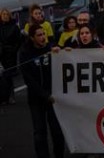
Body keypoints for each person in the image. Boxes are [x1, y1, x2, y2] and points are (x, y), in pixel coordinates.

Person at [19, 25, 66, 158]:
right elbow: (28, 80)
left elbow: (65, 63)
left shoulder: (50, 48)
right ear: (32, 37)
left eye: (44, 34)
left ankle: (59, 155)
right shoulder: (25, 53)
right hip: (36, 99)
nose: (43, 37)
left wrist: (64, 51)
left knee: (57, 131)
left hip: (53, 97)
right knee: (40, 132)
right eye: (39, 35)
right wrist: (44, 95)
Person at [0, 8, 22, 104]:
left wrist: (13, 50)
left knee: (8, 75)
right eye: (3, 14)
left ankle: (11, 95)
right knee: (1, 76)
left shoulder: (14, 27)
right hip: (0, 53)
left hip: (10, 54)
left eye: (6, 14)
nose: (5, 16)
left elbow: (18, 41)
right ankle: (3, 97)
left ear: (9, 15)